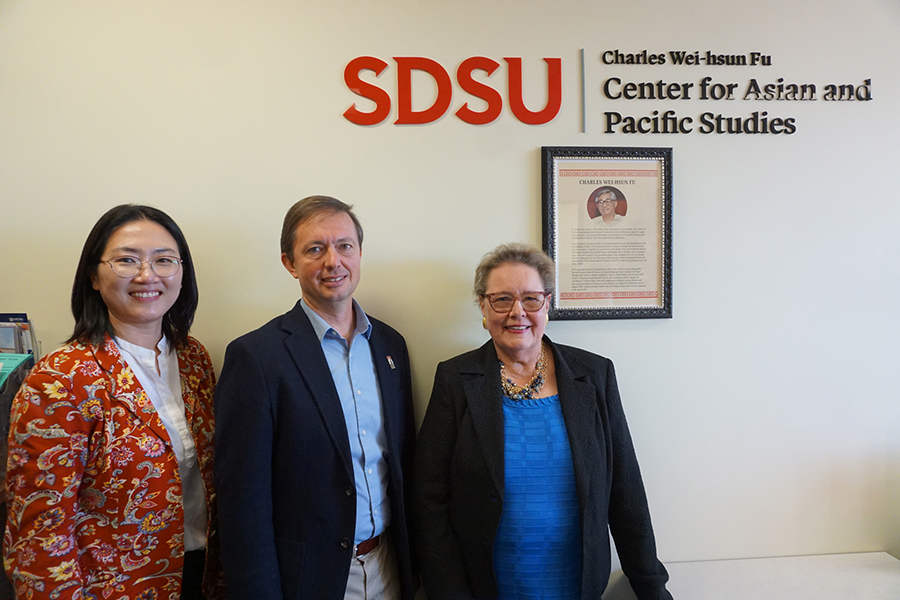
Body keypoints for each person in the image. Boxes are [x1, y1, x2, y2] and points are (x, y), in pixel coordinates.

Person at [412, 243, 673, 600]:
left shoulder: (594, 375)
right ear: (483, 308)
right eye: (502, 299)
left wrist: (651, 587)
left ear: (547, 304)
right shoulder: (456, 379)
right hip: (486, 585)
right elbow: (429, 499)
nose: (517, 312)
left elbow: (626, 491)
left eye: (531, 299)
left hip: (576, 582)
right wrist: (449, 591)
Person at [4, 205, 225, 600]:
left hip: (202, 578)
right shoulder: (60, 380)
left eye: (164, 261)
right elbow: (39, 533)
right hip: (110, 588)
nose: (147, 275)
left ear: (181, 273)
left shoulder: (194, 359)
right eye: (126, 260)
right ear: (93, 275)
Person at [214, 195, 417, 600]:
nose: (333, 261)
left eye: (344, 246)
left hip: (387, 566)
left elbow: (402, 460)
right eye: (315, 249)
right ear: (290, 263)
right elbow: (242, 504)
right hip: (307, 578)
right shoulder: (256, 357)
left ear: (359, 253)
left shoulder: (390, 345)